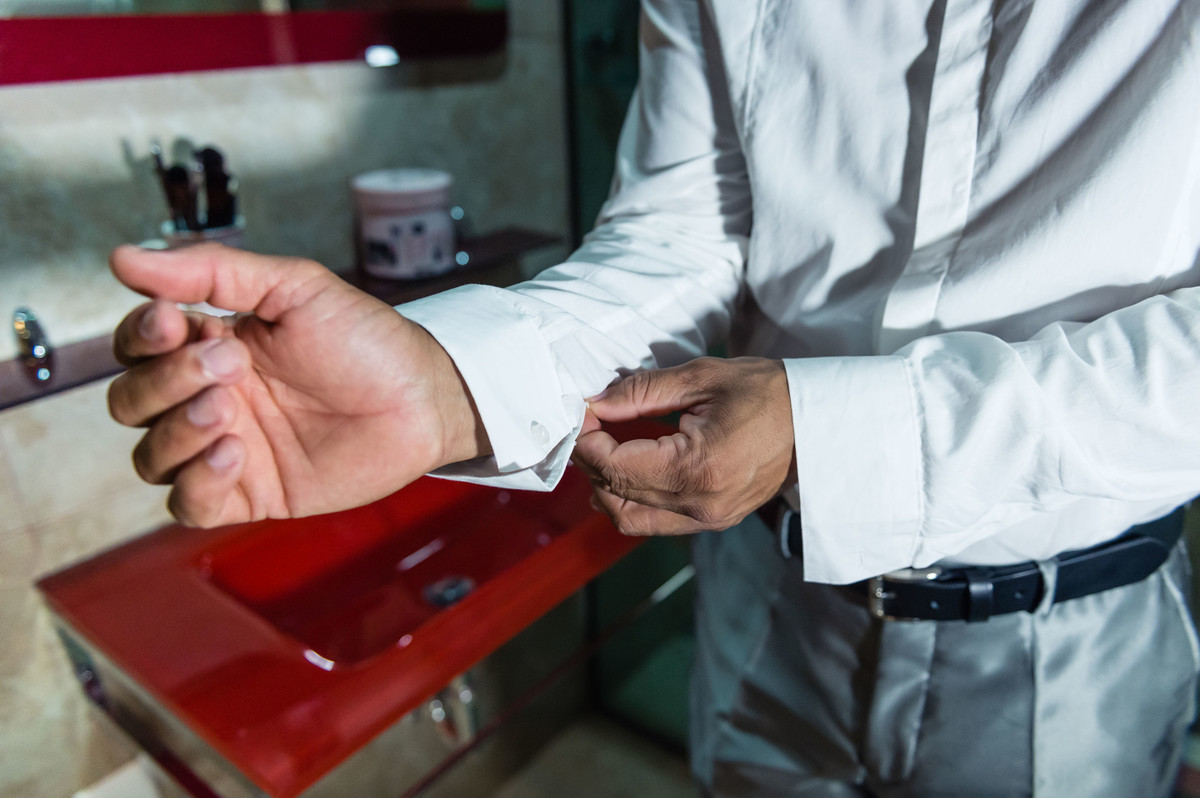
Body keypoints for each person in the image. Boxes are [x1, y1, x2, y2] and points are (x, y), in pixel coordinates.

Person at [108, 1, 1200, 795]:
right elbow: (691, 230)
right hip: (765, 597)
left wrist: (830, 431)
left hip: (1066, 641)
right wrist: (448, 387)